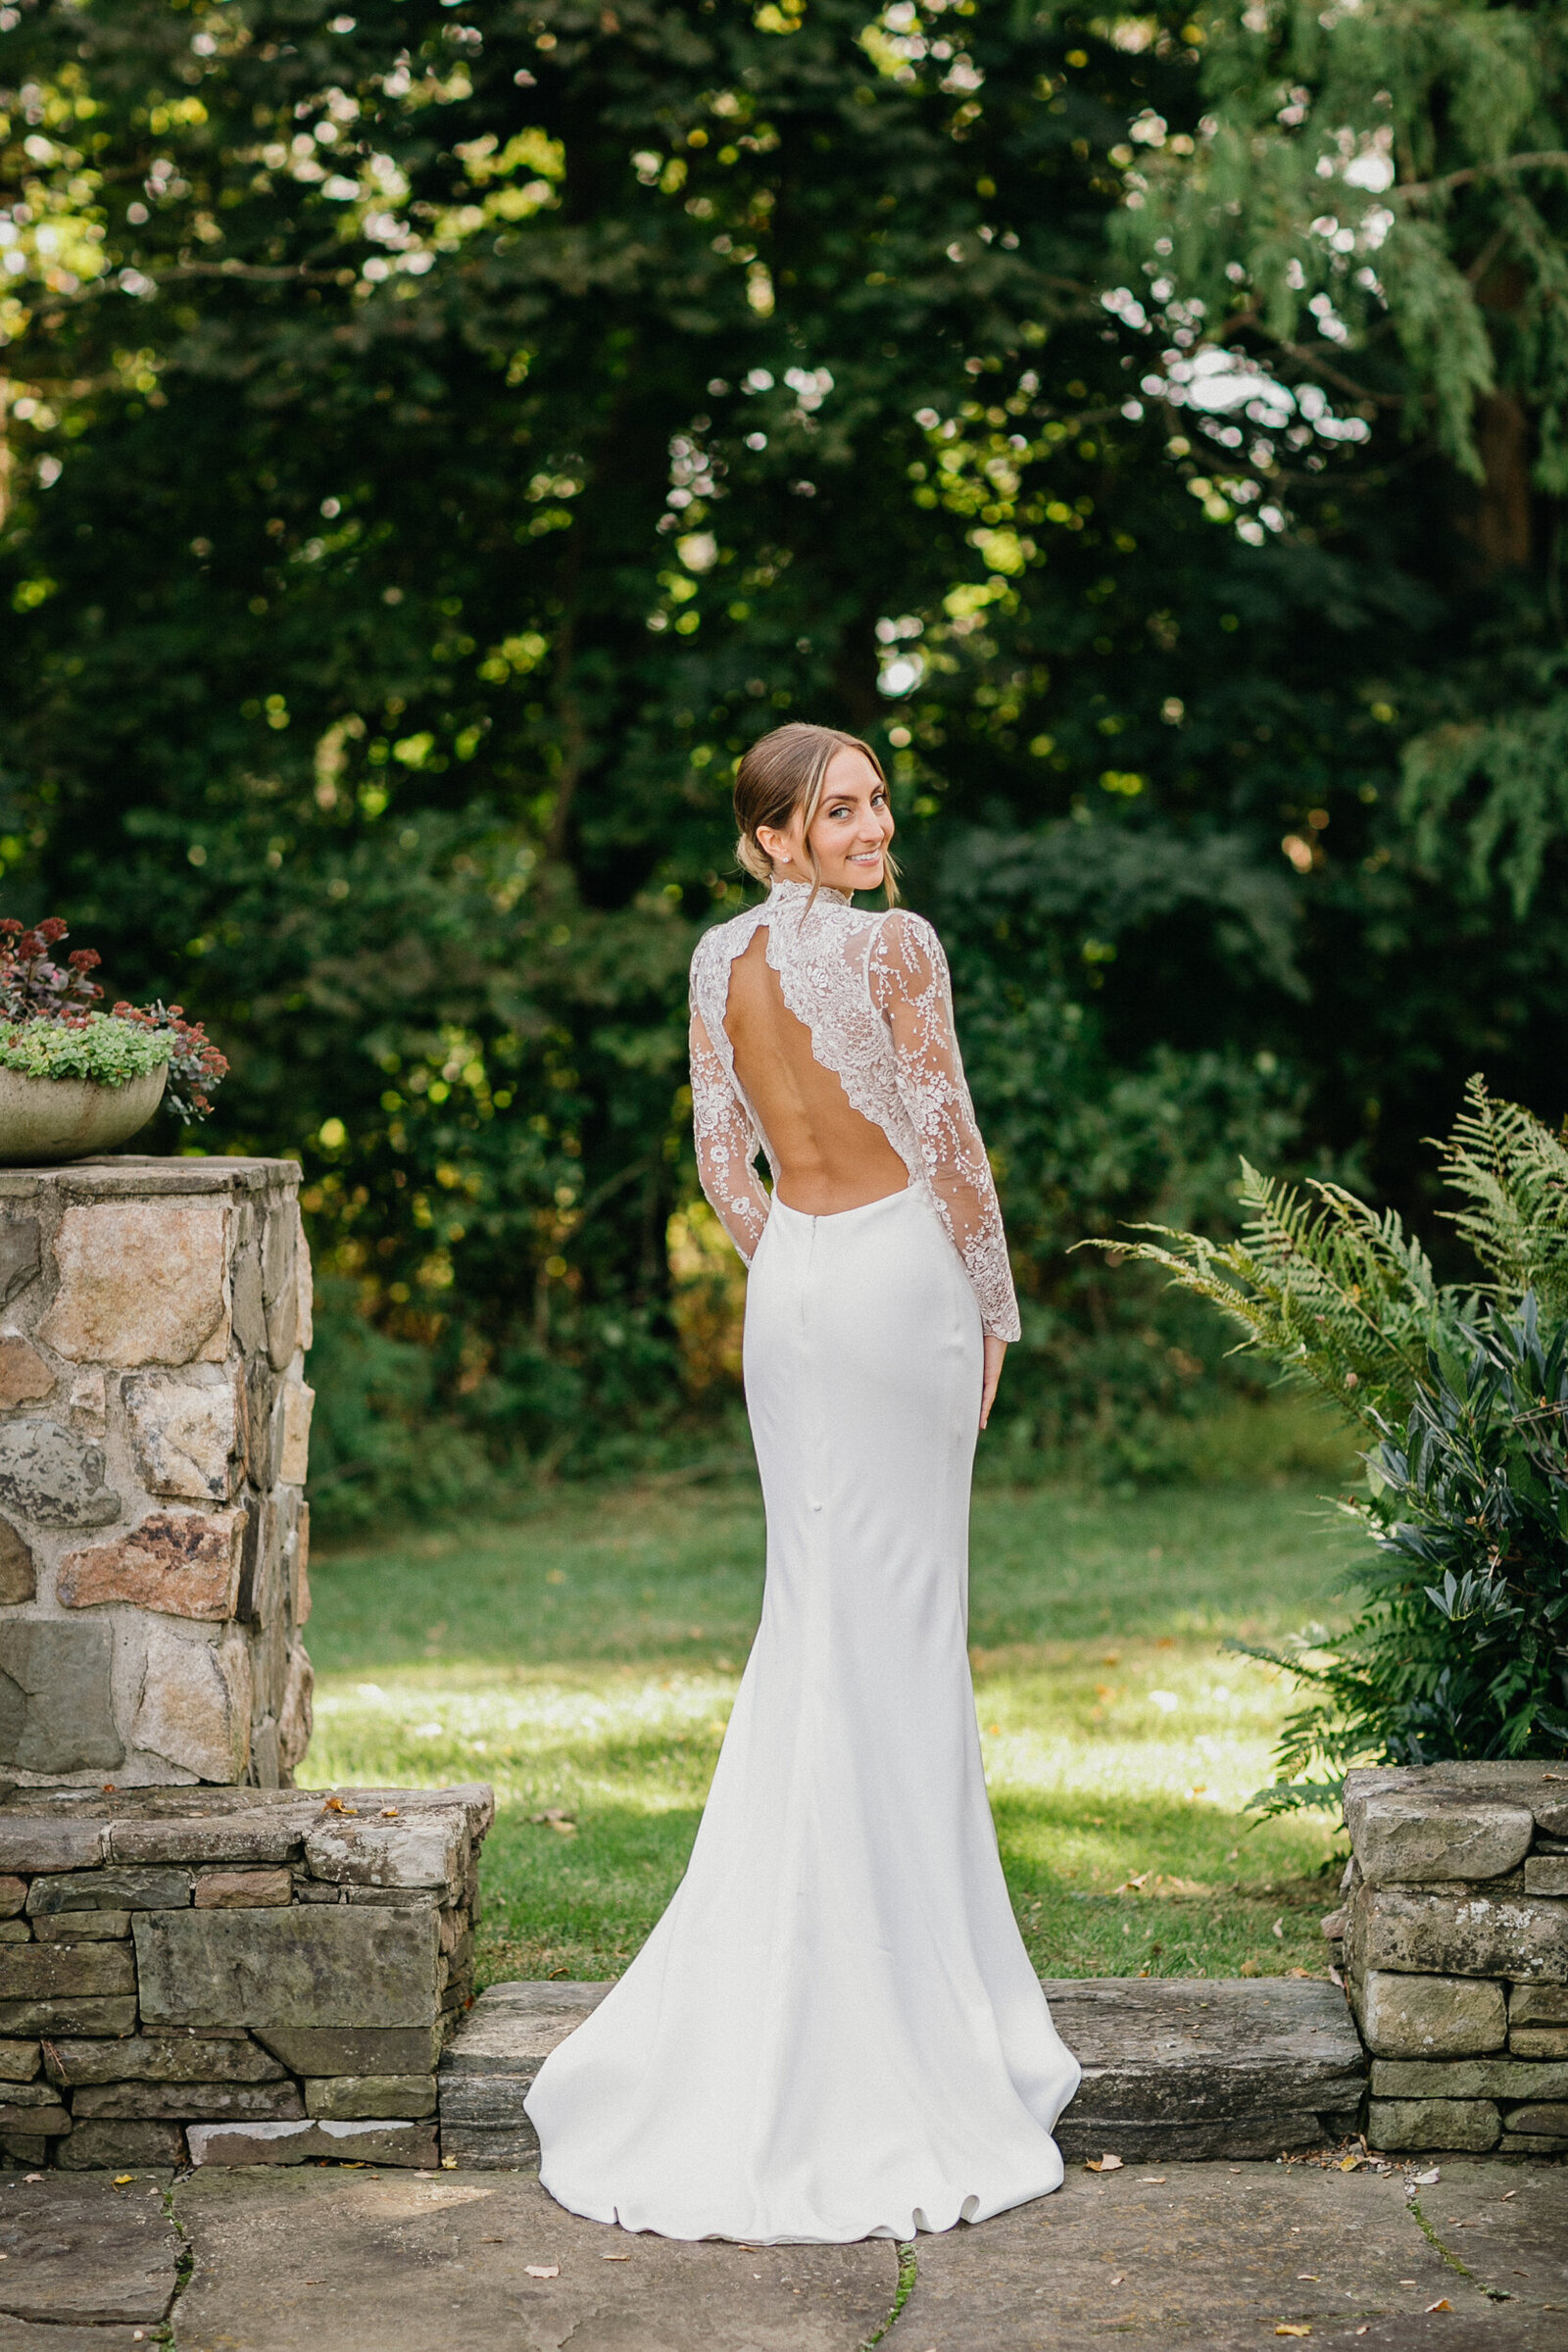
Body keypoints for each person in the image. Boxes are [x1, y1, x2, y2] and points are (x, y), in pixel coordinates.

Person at [525, 721, 1080, 2243]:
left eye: (878, 800)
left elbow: (723, 1168)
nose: (869, 827)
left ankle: (811, 1977)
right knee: (898, 1633)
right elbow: (951, 1136)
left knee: (821, 1621)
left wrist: (804, 1277)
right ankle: (914, 2016)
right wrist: (992, 1306)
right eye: (836, 810)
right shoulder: (900, 949)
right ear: (771, 836)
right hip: (900, 1274)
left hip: (802, 1297)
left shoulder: (716, 965)